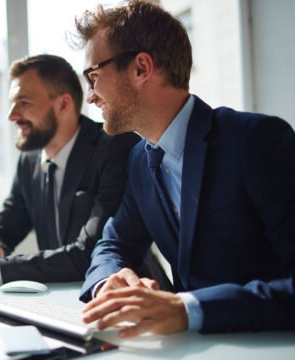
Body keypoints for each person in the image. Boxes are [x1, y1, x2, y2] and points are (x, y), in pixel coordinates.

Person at [74, 0, 295, 337]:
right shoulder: (139, 159)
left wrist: (189, 308)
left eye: (93, 76)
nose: (90, 96)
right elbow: (113, 244)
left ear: (141, 68)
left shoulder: (256, 141)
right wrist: (110, 281)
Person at [0, 54, 143, 286]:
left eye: (24, 103)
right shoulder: (29, 160)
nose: (11, 115)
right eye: (12, 103)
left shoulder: (115, 148)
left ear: (63, 104)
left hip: (122, 296)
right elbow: (10, 220)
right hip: (57, 295)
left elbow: (89, 253)